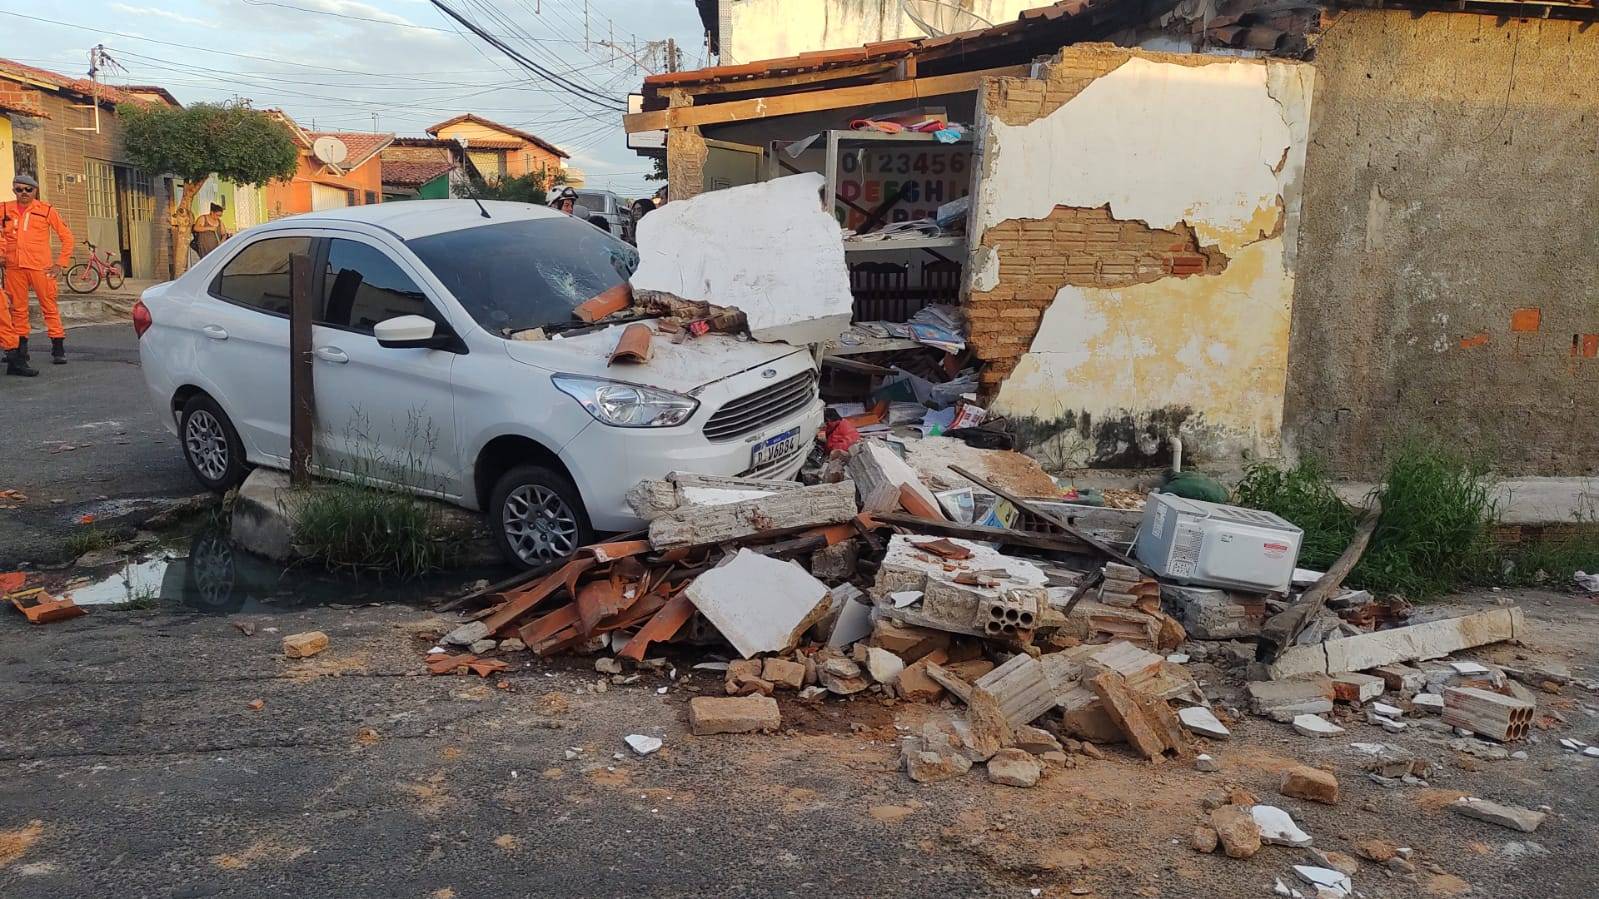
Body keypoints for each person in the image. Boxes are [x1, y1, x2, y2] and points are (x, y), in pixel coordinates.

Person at [1, 173, 73, 373]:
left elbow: (67, 237)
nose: (23, 193)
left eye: (28, 189)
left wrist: (60, 264)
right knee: (17, 309)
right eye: (19, 189)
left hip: (42, 268)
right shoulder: (4, 208)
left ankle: (58, 347)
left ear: (35, 190)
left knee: (48, 306)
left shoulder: (46, 210)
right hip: (14, 268)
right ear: (14, 190)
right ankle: (20, 351)